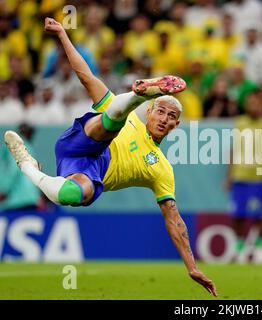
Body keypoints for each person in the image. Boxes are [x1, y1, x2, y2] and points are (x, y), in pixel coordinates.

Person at [3, 18, 217, 297]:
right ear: (150, 113)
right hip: (84, 139)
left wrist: (191, 266)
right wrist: (62, 35)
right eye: (160, 111)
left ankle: (28, 166)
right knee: (112, 122)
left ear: (176, 126)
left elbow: (174, 220)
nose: (165, 119)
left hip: (87, 171)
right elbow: (85, 76)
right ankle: (137, 96)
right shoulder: (132, 123)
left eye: (172, 117)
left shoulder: (161, 170)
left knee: (70, 196)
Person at [224, 89, 262, 264]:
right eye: (249, 103)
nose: (253, 106)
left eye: (256, 102)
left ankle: (261, 249)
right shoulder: (240, 123)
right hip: (239, 177)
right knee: (238, 215)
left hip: (260, 178)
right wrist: (229, 176)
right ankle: (240, 249)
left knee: (260, 214)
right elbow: (234, 150)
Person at [0, 123, 42, 211]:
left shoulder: (16, 147)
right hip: (31, 197)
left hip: (17, 199)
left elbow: (14, 169)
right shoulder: (28, 147)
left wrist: (4, 191)